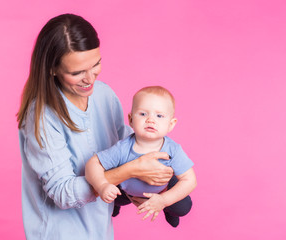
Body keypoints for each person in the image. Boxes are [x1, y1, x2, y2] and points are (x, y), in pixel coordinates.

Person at [17, 14, 174, 240]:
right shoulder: (41, 117)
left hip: (100, 230)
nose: (90, 78)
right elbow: (62, 193)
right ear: (52, 69)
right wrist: (130, 171)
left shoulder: (104, 95)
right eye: (77, 72)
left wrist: (144, 185)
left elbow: (124, 149)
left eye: (96, 64)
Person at [85, 86, 197, 228]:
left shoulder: (173, 149)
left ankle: (169, 211)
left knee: (182, 207)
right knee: (112, 196)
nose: (150, 120)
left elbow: (190, 181)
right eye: (143, 114)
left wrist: (163, 200)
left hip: (162, 190)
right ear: (131, 120)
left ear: (171, 124)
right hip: (127, 191)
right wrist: (102, 185)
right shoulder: (123, 147)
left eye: (159, 116)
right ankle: (116, 205)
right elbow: (93, 163)